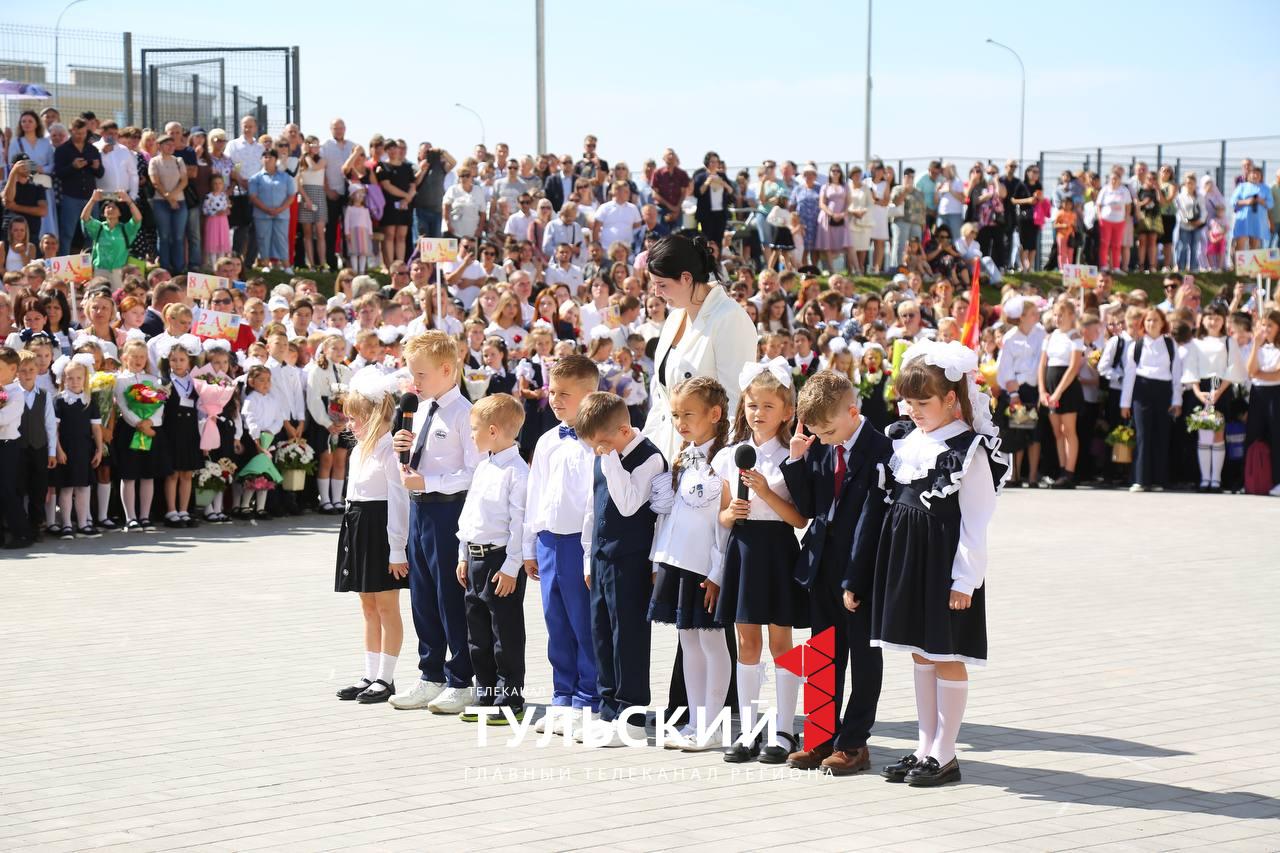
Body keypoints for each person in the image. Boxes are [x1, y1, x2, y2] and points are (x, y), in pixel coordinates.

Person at [872, 340, 1010, 787]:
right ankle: (923, 745)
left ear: (952, 398)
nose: (913, 410)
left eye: (923, 402)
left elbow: (976, 520)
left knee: (946, 653)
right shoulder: (907, 441)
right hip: (909, 563)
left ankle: (946, 752)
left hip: (944, 566)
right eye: (908, 401)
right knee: (920, 651)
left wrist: (965, 580)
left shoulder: (969, 450)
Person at [780, 369, 891, 775]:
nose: (822, 439)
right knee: (822, 655)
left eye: (827, 432)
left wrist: (855, 580)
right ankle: (819, 737)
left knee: (863, 658)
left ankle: (854, 743)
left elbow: (871, 521)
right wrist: (796, 459)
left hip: (860, 574)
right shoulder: (821, 444)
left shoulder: (882, 450)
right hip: (822, 568)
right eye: (816, 433)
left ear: (852, 411)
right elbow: (810, 508)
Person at [711, 361, 807, 764]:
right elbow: (721, 516)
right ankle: (748, 729)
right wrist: (731, 513)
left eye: (768, 406)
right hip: (743, 549)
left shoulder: (792, 454)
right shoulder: (731, 455)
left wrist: (766, 493)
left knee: (780, 640)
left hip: (778, 548)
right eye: (752, 405)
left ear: (787, 411)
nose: (758, 413)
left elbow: (801, 519)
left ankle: (785, 729)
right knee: (747, 640)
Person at [389, 332, 480, 714]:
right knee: (422, 595)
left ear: (447, 369)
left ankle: (461, 678)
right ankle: (431, 674)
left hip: (449, 511)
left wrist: (432, 482)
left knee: (449, 596)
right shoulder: (421, 408)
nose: (415, 383)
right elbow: (416, 463)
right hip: (420, 510)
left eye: (421, 374)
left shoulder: (465, 414)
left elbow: (474, 471)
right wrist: (402, 452)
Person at [575, 391, 666, 747]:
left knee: (627, 636)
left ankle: (631, 716)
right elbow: (592, 506)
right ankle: (607, 708)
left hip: (631, 560)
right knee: (601, 632)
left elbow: (629, 505)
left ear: (625, 430)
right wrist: (587, 554)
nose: (598, 450)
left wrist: (610, 459)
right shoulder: (603, 453)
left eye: (602, 442)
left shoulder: (649, 458)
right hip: (601, 557)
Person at [647, 376, 732, 750]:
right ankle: (695, 721)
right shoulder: (684, 456)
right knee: (688, 642)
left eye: (688, 414)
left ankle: (713, 724)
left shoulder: (725, 458)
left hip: (706, 565)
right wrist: (656, 559)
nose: (680, 421)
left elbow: (725, 522)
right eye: (676, 414)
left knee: (713, 643)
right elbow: (669, 513)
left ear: (714, 414)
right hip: (677, 559)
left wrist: (718, 571)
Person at [522, 355, 601, 737]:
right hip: (548, 542)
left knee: (583, 623)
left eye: (565, 394)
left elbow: (593, 502)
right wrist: (528, 546)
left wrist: (588, 553)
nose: (555, 400)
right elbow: (533, 494)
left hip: (578, 545)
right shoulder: (546, 440)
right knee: (556, 624)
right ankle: (562, 696)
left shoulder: (595, 443)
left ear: (590, 395)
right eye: (552, 392)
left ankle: (589, 698)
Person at [448, 393, 531, 723]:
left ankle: (509, 699)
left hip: (501, 563)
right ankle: (485, 695)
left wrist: (512, 567)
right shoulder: (484, 466)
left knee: (504, 636)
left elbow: (520, 524)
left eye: (474, 429)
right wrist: (463, 554)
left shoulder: (517, 472)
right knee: (478, 636)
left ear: (493, 431)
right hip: (476, 559)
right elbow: (470, 516)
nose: (471, 435)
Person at [331, 367, 410, 703]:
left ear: (374, 415)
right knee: (367, 605)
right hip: (357, 524)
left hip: (381, 527)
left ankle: (386, 678)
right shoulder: (358, 449)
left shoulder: (390, 448)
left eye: (355, 418)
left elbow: (399, 501)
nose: (350, 425)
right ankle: (370, 672)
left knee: (387, 605)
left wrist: (397, 550)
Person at [643, 234, 757, 461]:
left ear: (686, 278)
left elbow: (734, 405)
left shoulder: (730, 318)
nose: (656, 293)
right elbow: (662, 401)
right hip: (665, 453)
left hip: (707, 460)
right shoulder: (674, 318)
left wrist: (718, 467)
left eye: (662, 285)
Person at [1121, 309, 1182, 492]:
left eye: (1155, 320)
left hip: (1164, 391)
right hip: (1142, 390)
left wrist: (1176, 400)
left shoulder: (1171, 345)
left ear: (1163, 323)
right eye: (1148, 320)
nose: (1151, 324)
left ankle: (1159, 479)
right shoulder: (1137, 346)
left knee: (1161, 435)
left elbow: (1176, 374)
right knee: (1142, 435)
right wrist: (1125, 403)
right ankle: (1140, 479)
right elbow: (1129, 375)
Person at [112, 339, 164, 531]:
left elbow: (159, 405)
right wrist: (138, 423)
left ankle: (144, 516)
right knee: (129, 475)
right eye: (134, 356)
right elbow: (123, 406)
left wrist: (151, 422)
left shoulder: (152, 380)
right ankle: (130, 517)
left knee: (147, 474)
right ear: (125, 358)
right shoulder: (120, 381)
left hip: (149, 430)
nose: (139, 360)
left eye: (142, 357)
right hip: (130, 430)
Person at [50, 354, 103, 538]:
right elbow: (54, 429)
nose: (74, 381)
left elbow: (96, 428)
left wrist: (99, 449)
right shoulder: (59, 400)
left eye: (78, 378)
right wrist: (58, 450)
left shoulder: (89, 400)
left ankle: (83, 524)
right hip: (66, 450)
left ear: (85, 379)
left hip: (84, 450)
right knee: (66, 488)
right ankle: (66, 524)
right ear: (63, 379)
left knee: (84, 487)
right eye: (70, 378)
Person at [995, 298, 1044, 487]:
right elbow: (1005, 368)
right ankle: (1015, 474)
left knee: (1035, 434)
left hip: (1034, 389)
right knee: (1019, 431)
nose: (1036, 316)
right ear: (1021, 317)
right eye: (1032, 313)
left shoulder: (1040, 334)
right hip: (1017, 390)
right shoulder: (1011, 338)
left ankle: (1032, 476)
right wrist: (1013, 394)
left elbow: (1041, 361)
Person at [154, 335, 203, 527]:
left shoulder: (198, 381)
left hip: (190, 431)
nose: (178, 363)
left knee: (187, 473)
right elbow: (158, 407)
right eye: (173, 359)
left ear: (190, 360)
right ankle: (171, 511)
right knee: (172, 473)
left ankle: (184, 510)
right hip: (172, 431)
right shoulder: (164, 382)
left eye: (182, 359)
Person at [1037, 299, 1085, 488]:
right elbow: (1042, 365)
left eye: (1061, 315)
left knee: (1068, 430)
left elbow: (1073, 367)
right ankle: (1061, 469)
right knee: (1057, 431)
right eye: (1055, 314)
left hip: (1066, 388)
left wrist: (1057, 393)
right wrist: (1042, 390)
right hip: (1050, 386)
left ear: (1071, 316)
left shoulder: (1075, 337)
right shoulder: (1049, 337)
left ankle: (1069, 472)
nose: (1057, 318)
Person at [1189, 303, 1235, 492]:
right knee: (1203, 434)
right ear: (1203, 320)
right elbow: (1191, 369)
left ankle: (1216, 479)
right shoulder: (1196, 342)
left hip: (1221, 388)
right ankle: (1204, 478)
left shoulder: (1228, 342)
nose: (1213, 321)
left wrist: (1219, 391)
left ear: (1224, 320)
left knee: (1218, 434)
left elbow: (1233, 369)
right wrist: (1199, 392)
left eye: (1217, 317)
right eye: (1209, 317)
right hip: (1202, 389)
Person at [53, 118, 103, 254]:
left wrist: (97, 167)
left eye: (83, 133)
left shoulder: (92, 149)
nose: (80, 136)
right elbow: (58, 173)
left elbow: (100, 174)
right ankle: (63, 264)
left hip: (90, 198)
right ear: (71, 131)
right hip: (71, 197)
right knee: (67, 233)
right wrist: (73, 166)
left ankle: (91, 265)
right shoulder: (62, 150)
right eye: (77, 133)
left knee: (92, 234)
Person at [0, 347, 33, 548]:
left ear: (13, 369)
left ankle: (22, 533)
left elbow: (4, 418)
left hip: (8, 446)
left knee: (8, 491)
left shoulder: (16, 394)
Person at [1245, 310, 1280, 496]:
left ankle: (1277, 480)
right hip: (1258, 393)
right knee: (1254, 434)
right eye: (1263, 325)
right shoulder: (1257, 346)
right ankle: (1251, 478)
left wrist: (1259, 373)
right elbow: (1250, 371)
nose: (1266, 329)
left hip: (1276, 392)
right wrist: (1256, 345)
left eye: (1270, 326)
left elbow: (1277, 373)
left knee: (1276, 436)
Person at [79, 190, 141, 287]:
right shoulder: (99, 228)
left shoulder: (126, 229)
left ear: (120, 213)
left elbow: (138, 219)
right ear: (103, 213)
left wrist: (128, 201)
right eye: (108, 207)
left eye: (114, 207)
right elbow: (85, 217)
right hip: (100, 271)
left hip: (119, 271)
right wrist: (93, 200)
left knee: (117, 299)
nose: (111, 208)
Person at [248, 149, 296, 273]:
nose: (268, 159)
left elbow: (291, 195)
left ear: (276, 160)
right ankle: (265, 264)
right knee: (263, 238)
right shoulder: (255, 178)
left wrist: (280, 209)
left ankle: (286, 266)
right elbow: (253, 196)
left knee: (282, 238)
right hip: (262, 214)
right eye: (265, 157)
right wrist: (266, 209)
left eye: (271, 157)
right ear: (261, 159)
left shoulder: (286, 177)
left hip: (282, 214)